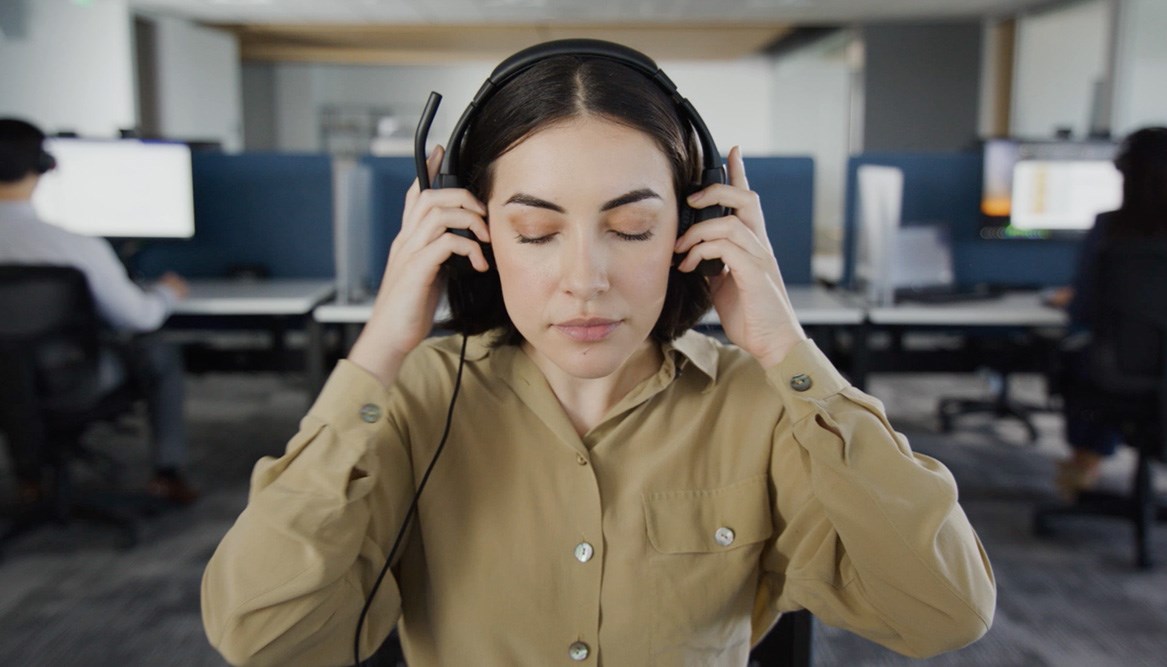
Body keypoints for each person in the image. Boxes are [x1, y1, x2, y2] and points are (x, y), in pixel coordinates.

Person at [201, 42, 995, 666]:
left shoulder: (759, 407)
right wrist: (379, 348)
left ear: (692, 232)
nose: (585, 280)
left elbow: (943, 612)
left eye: (631, 228)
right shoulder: (412, 402)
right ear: (470, 236)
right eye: (537, 233)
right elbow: (259, 634)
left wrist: (787, 349)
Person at [0, 117, 198, 505]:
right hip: (68, 380)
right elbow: (138, 316)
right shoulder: (73, 247)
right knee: (158, 350)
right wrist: (166, 293)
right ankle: (167, 474)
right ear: (41, 168)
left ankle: (30, 480)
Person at [1046, 126, 1167, 499]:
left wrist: (1069, 300)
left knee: (1084, 355)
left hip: (1117, 369)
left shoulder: (1110, 228)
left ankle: (1084, 462)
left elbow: (1083, 310)